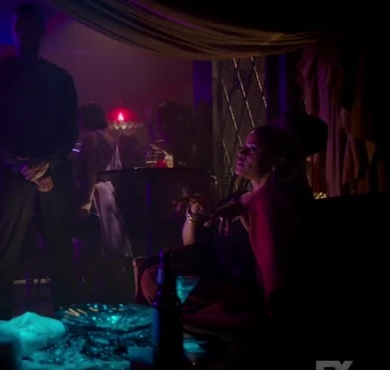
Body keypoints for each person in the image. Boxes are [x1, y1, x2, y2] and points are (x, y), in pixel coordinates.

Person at [138, 112, 327, 329]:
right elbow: (194, 242)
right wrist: (195, 213)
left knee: (158, 279)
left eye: (254, 148)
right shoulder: (246, 198)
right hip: (216, 271)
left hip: (237, 287)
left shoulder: (275, 200)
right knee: (151, 269)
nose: (242, 152)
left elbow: (274, 269)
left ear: (281, 156)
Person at [0, 3, 79, 318]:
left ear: (40, 32)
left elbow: (69, 128)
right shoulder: (54, 77)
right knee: (15, 253)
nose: (24, 32)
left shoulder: (1, 74)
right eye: (20, 27)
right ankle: (9, 320)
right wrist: (42, 165)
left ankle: (6, 320)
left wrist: (29, 165)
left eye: (28, 26)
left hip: (22, 171)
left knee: (44, 251)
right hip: (32, 171)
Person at [76, 103, 133, 301]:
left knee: (96, 240)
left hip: (97, 192)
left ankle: (97, 289)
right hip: (109, 191)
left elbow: (91, 171)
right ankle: (113, 288)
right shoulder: (109, 138)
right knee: (111, 240)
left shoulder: (90, 138)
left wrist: (86, 201)